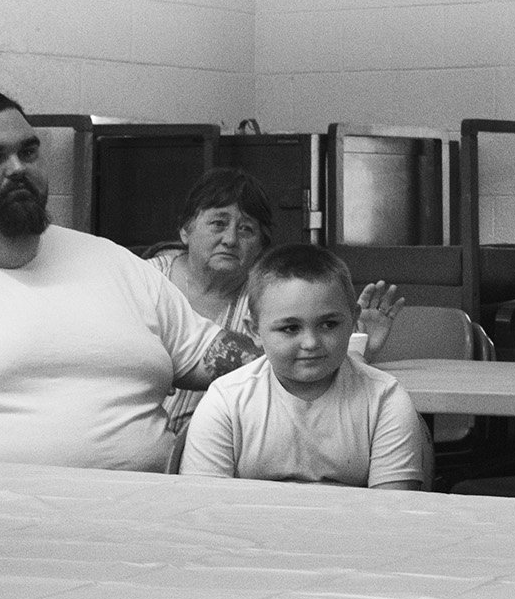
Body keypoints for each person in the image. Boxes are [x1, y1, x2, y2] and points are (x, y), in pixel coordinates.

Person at [0, 88, 257, 471]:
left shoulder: (108, 260)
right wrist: (3, 495)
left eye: (29, 152)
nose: (18, 168)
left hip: (157, 510)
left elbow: (224, 360)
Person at [148, 168, 405, 436]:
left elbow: (305, 371)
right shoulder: (143, 280)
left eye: (246, 229)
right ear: (185, 231)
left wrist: (359, 347)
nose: (231, 239)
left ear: (261, 245)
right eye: (218, 224)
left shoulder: (275, 301)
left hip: (226, 443)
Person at [181, 244, 427, 490]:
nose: (311, 343)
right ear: (254, 331)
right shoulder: (225, 402)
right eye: (290, 328)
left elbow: (393, 514)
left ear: (353, 320)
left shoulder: (385, 399)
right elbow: (204, 509)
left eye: (329, 324)